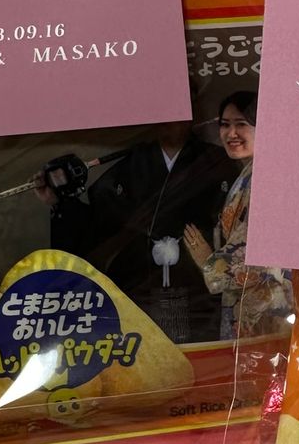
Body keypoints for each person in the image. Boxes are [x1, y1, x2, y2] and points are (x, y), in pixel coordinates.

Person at [35, 122, 239, 343]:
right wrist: (62, 205)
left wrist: (211, 260)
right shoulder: (130, 165)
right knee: (144, 350)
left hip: (200, 291)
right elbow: (98, 224)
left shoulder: (219, 163)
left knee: (202, 353)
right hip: (141, 290)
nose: (169, 121)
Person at [182, 91, 293, 339]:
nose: (231, 133)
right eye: (225, 125)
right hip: (253, 299)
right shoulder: (252, 172)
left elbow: (261, 251)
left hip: (268, 304)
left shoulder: (270, 177)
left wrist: (208, 261)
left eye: (241, 124)